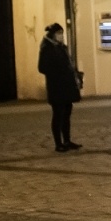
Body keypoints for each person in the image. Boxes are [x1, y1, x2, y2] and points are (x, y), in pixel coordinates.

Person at [37, 23, 82, 152]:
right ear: (53, 35)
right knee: (58, 114)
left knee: (67, 113)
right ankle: (58, 143)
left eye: (62, 33)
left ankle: (67, 140)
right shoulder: (47, 48)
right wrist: (57, 72)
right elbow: (42, 68)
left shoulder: (62, 47)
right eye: (59, 34)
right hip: (56, 86)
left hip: (67, 85)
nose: (61, 36)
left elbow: (69, 63)